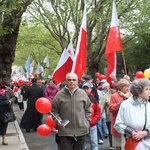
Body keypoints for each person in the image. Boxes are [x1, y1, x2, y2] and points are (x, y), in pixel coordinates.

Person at [51, 73, 91, 150]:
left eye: (74, 80)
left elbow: (88, 109)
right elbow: (54, 111)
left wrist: (87, 122)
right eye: (69, 80)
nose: (71, 81)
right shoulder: (59, 95)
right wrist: (57, 120)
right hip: (65, 131)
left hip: (81, 130)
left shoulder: (82, 93)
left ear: (77, 82)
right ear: (66, 81)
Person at [114, 78, 150, 150]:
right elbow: (118, 124)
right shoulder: (125, 105)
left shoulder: (148, 105)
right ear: (139, 92)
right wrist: (132, 132)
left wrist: (145, 133)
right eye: (147, 89)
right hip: (132, 144)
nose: (149, 92)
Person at [109, 79, 131, 150]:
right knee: (118, 146)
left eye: (128, 86)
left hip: (129, 125)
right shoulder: (114, 96)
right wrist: (119, 104)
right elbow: (111, 109)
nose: (127, 88)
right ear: (120, 87)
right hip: (118, 124)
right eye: (125, 86)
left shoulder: (131, 95)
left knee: (128, 146)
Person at [82, 82, 101, 150]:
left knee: (94, 144)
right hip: (81, 125)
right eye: (84, 88)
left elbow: (98, 111)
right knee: (82, 144)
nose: (86, 90)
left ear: (90, 89)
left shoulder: (93, 99)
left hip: (92, 125)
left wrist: (95, 119)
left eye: (87, 88)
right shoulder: (78, 99)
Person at [100, 82, 118, 149]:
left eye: (115, 88)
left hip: (118, 117)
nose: (114, 90)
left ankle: (118, 145)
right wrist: (99, 115)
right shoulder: (106, 96)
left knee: (118, 132)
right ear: (110, 88)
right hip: (109, 117)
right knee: (111, 132)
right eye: (113, 88)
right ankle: (111, 145)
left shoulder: (120, 95)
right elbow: (101, 106)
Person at [0, 79, 16, 145]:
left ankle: (4, 140)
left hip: (5, 110)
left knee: (4, 124)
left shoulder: (8, 89)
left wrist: (10, 101)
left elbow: (13, 97)